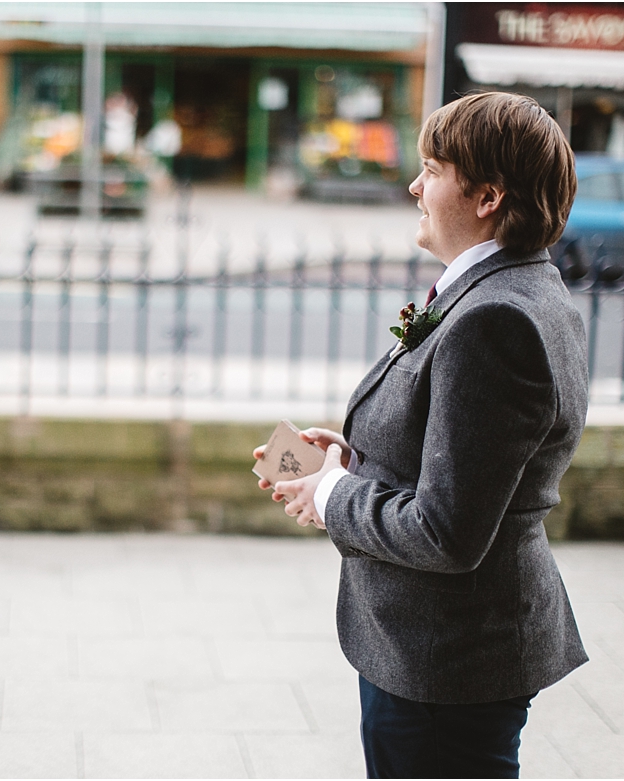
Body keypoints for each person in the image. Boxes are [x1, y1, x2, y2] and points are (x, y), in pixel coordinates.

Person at [255, 92, 588, 778]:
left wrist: (331, 493)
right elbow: (463, 450)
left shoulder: (496, 320)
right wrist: (354, 460)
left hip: (444, 661)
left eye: (432, 168)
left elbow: (447, 531)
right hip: (438, 649)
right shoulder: (512, 290)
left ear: (489, 194)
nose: (414, 185)